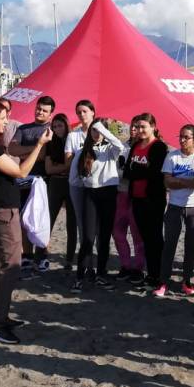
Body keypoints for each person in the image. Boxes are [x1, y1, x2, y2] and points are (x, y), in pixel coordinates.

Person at [0, 99, 52, 345]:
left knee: (0, 264)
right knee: (11, 265)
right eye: (2, 117)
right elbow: (20, 172)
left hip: (2, 209)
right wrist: (39, 145)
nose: (6, 122)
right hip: (2, 212)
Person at [72, 117, 126, 292]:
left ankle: (101, 274)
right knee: (88, 239)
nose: (97, 133)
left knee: (104, 238)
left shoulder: (111, 150)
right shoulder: (83, 151)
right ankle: (80, 276)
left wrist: (102, 129)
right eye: (94, 130)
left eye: (101, 130)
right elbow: (75, 178)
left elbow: (120, 145)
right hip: (91, 194)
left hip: (109, 194)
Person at [156, 124, 194, 296]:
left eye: (187, 137)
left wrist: (178, 181)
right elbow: (167, 182)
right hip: (174, 206)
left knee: (190, 245)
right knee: (169, 244)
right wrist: (187, 182)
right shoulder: (172, 156)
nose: (183, 140)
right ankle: (163, 281)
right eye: (181, 136)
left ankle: (186, 280)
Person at [10, 96, 55, 274]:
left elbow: (44, 155)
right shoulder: (23, 128)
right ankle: (27, 256)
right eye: (38, 108)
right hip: (22, 180)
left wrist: (28, 151)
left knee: (41, 221)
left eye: (44, 110)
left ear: (51, 113)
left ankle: (42, 256)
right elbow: (12, 149)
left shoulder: (50, 130)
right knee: (24, 220)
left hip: (42, 181)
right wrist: (36, 147)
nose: (40, 112)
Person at [124, 112, 169, 288]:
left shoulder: (158, 147)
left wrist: (138, 170)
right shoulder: (135, 146)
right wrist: (141, 169)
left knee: (155, 238)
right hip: (136, 198)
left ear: (153, 127)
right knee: (145, 237)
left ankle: (157, 275)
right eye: (138, 126)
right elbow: (127, 171)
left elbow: (156, 173)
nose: (140, 130)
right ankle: (151, 274)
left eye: (144, 126)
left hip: (153, 199)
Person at [43, 113, 78, 270]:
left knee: (72, 224)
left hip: (72, 184)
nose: (57, 129)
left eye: (60, 125)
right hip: (56, 183)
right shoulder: (51, 143)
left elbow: (75, 165)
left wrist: (66, 166)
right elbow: (49, 169)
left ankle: (69, 260)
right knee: (47, 221)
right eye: (54, 126)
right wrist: (67, 166)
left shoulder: (75, 140)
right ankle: (41, 257)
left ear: (66, 125)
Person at [112, 121, 146, 284]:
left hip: (137, 195)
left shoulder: (146, 148)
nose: (134, 129)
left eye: (137, 127)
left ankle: (138, 268)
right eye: (132, 126)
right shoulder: (122, 146)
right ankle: (126, 265)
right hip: (120, 193)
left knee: (137, 234)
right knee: (118, 232)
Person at [64, 99, 97, 251]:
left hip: (97, 183)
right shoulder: (73, 135)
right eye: (78, 112)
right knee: (80, 219)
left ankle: (92, 252)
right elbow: (69, 160)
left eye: (85, 111)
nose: (82, 114)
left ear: (92, 112)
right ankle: (85, 253)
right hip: (77, 182)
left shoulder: (100, 133)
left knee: (95, 220)